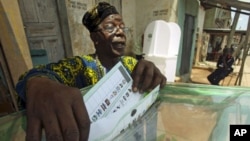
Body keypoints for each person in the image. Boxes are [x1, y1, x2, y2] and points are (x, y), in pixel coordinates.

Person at [15, 2, 166, 141]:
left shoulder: (131, 64)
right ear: (95, 37)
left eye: (122, 27)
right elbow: (33, 76)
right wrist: (39, 84)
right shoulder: (81, 67)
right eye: (110, 27)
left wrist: (152, 73)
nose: (120, 32)